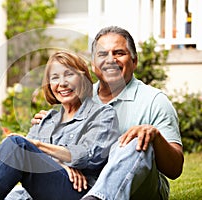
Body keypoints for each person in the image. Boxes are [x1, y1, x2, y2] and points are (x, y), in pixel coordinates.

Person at [32, 26, 184, 200]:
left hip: (139, 190)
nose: (110, 60)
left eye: (119, 53)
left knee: (135, 137)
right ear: (93, 64)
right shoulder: (77, 96)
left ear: (134, 61)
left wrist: (155, 137)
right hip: (83, 185)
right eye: (102, 54)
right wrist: (51, 125)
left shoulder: (154, 100)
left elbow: (175, 169)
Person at [0, 51, 120, 200]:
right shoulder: (46, 120)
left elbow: (88, 155)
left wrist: (38, 145)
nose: (62, 83)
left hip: (79, 192)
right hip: (36, 194)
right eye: (55, 77)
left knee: (17, 144)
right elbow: (17, 161)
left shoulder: (102, 114)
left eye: (69, 74)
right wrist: (60, 164)